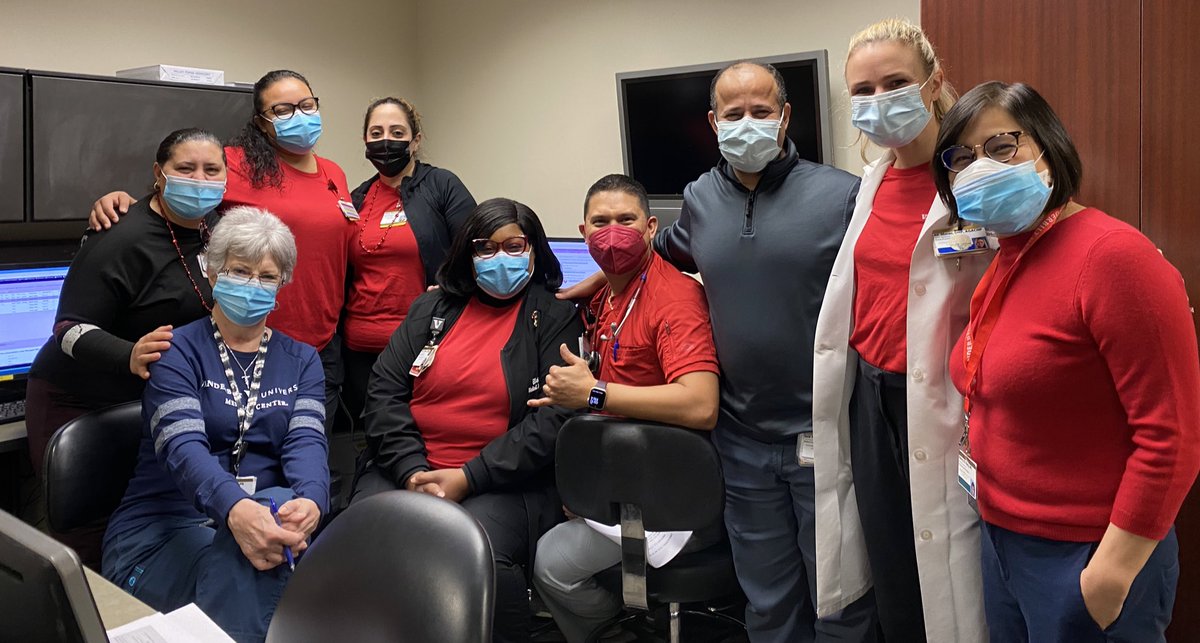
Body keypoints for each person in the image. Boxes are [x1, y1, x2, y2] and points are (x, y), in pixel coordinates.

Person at [561, 61, 877, 641]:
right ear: (713, 122)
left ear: (785, 118)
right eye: (734, 114)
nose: (748, 123)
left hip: (824, 435)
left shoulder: (842, 196)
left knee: (838, 595)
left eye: (762, 111)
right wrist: (589, 282)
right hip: (743, 440)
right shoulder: (700, 198)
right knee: (766, 595)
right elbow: (653, 256)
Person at [933, 81, 1200, 642]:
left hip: (1088, 551)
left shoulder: (1113, 257)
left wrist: (1110, 573)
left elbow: (1172, 437)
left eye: (1001, 146)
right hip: (1004, 539)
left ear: (1049, 150)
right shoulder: (1011, 254)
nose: (978, 168)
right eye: (961, 159)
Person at [812, 19, 987, 642]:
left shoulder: (975, 180)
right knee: (891, 563)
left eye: (895, 83)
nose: (878, 101)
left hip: (941, 396)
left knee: (954, 568)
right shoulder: (870, 184)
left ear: (933, 82)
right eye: (862, 90)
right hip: (869, 394)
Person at [350, 198, 583, 643]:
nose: (501, 258)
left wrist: (467, 477)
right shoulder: (430, 310)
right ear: (467, 254)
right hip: (405, 468)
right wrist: (411, 470)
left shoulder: (553, 317)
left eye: (514, 246)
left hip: (501, 481)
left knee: (476, 558)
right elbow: (383, 394)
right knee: (362, 545)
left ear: (534, 251)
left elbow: (552, 421)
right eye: (486, 247)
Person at [102, 207, 329, 643]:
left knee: (279, 514)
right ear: (211, 273)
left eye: (267, 276)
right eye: (239, 271)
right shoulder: (174, 351)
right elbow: (183, 451)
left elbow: (307, 445)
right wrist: (237, 512)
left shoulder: (303, 361)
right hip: (162, 531)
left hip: (263, 522)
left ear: (283, 283)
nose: (253, 285)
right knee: (266, 561)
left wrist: (313, 503)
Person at [89, 70, 355, 431]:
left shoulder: (334, 173)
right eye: (283, 109)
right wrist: (117, 199)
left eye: (307, 105)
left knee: (308, 448)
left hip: (321, 345)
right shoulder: (235, 164)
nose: (299, 115)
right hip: (246, 339)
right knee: (244, 450)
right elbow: (178, 189)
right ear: (261, 123)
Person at [529, 174, 721, 643]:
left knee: (549, 564)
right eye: (601, 222)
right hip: (621, 471)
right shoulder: (603, 295)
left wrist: (592, 393)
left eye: (626, 220)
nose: (613, 233)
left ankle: (614, 631)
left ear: (651, 227)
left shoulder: (673, 298)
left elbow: (701, 405)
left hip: (667, 492)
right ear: (583, 233)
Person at [24, 128, 227, 567]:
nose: (200, 179)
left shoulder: (215, 229)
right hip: (78, 398)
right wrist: (128, 354)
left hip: (147, 397)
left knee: (142, 520)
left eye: (212, 169)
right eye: (185, 168)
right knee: (88, 534)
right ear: (159, 174)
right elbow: (68, 329)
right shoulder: (119, 235)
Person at [342, 96, 476, 431]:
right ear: (365, 142)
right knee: (371, 441)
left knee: (421, 435)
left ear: (415, 141)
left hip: (422, 345)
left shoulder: (441, 185)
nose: (385, 141)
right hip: (359, 350)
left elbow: (475, 249)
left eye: (396, 132)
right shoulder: (356, 198)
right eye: (376, 132)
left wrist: (449, 286)